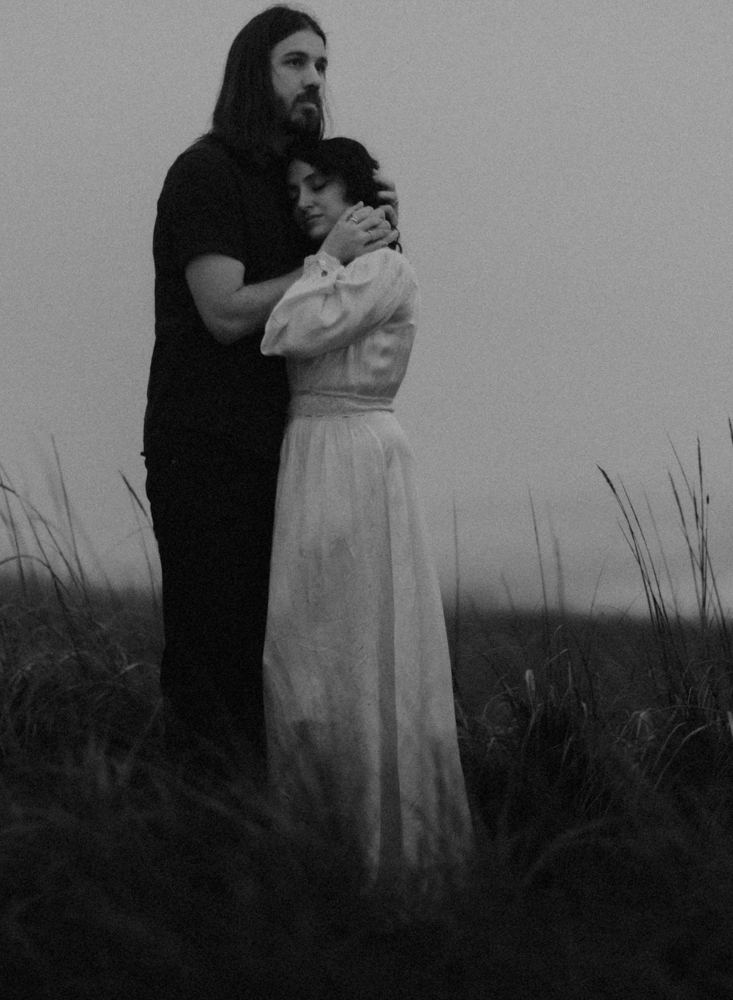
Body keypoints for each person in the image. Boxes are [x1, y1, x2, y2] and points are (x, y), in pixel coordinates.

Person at [144, 7, 396, 770]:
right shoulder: (205, 173)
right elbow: (223, 312)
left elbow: (337, 307)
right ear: (253, 73)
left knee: (281, 662)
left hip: (285, 454)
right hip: (205, 451)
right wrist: (327, 260)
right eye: (295, 62)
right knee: (212, 658)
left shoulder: (294, 192)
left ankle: (273, 828)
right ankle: (194, 825)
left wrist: (372, 237)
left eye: (322, 64)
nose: (314, 79)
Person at [261, 136, 471, 880]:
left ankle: (393, 858)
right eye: (295, 192)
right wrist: (325, 257)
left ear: (356, 196)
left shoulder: (384, 271)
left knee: (365, 645)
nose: (305, 202)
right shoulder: (337, 270)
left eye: (320, 185)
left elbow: (285, 329)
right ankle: (320, 847)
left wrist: (330, 255)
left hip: (357, 454)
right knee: (303, 651)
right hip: (310, 453)